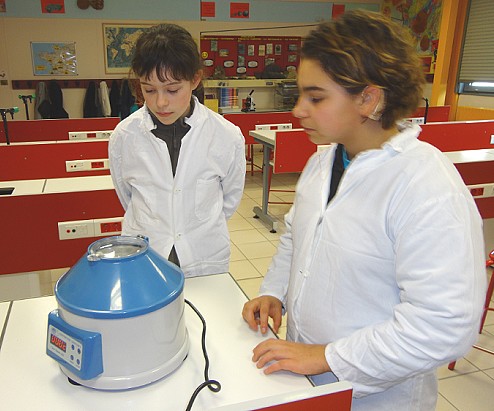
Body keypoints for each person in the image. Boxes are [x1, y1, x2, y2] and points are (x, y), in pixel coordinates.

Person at [242, 10, 486, 410]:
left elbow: (444, 326)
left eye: (316, 97)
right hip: (307, 376)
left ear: (368, 99)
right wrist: (274, 291)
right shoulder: (323, 162)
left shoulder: (425, 184)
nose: (298, 110)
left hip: (379, 396)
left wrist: (328, 357)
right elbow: (295, 239)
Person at [109, 23, 246, 277]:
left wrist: (196, 223)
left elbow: (229, 200)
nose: (160, 102)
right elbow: (126, 196)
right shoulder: (125, 136)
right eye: (149, 90)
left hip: (204, 254)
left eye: (172, 90)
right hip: (146, 253)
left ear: (195, 79)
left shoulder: (226, 136)